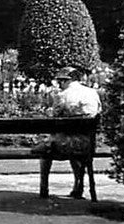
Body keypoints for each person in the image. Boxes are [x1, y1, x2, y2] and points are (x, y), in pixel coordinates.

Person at [39, 66, 102, 198]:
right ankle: (78, 187)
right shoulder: (92, 93)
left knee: (44, 149)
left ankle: (44, 188)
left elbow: (55, 116)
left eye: (60, 81)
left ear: (65, 81)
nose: (59, 85)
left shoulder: (62, 95)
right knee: (76, 150)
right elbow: (98, 112)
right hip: (88, 143)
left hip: (66, 144)